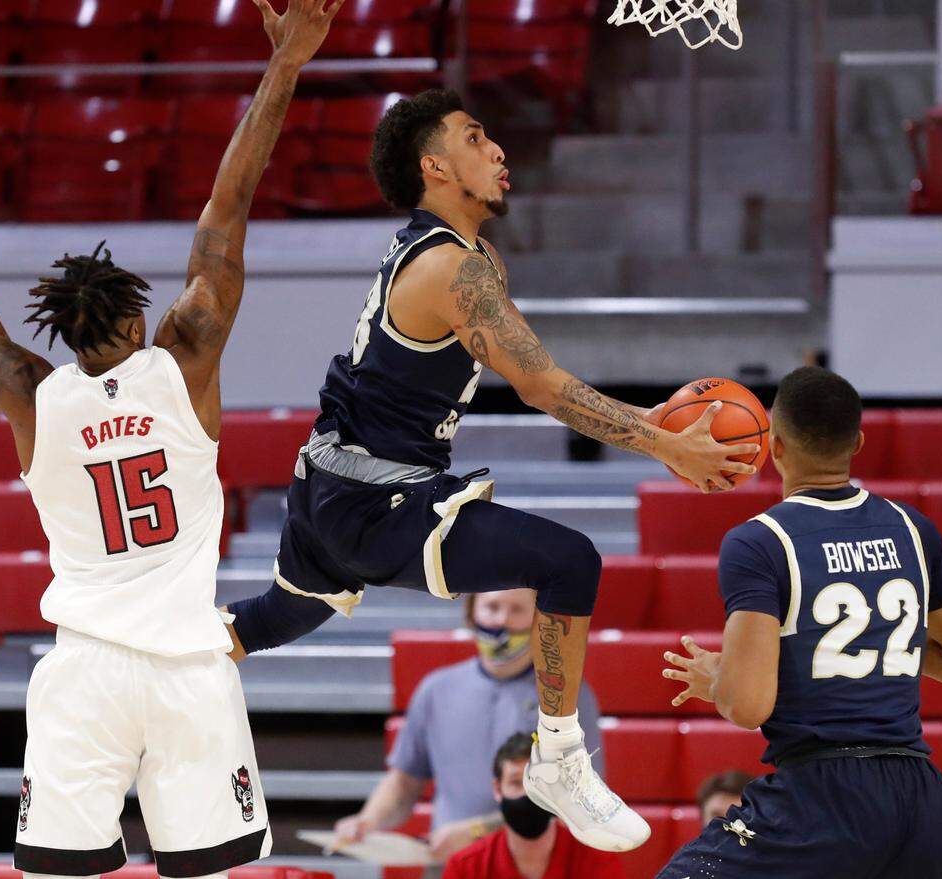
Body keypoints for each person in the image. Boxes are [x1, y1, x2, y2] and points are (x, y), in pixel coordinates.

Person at [0, 3, 343, 876]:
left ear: (64, 338)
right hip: (189, 667)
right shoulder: (184, 359)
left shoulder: (28, 391)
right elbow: (228, 211)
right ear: (144, 316)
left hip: (86, 674)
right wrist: (286, 64)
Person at [224, 89, 758, 853]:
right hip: (374, 492)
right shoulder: (451, 266)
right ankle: (559, 758)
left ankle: (159, 659)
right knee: (568, 560)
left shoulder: (455, 255)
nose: (499, 149)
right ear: (436, 166)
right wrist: (663, 442)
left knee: (276, 617)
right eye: (477, 137)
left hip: (330, 478)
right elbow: (542, 385)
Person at [658, 366, 942, 879]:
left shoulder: (760, 541)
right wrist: (869, 657)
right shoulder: (911, 529)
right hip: (917, 795)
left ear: (776, 445)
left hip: (824, 797)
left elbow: (747, 706)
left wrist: (720, 678)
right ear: (857, 442)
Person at [334, 589, 604, 862]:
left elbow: (577, 801)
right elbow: (404, 783)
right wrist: (366, 822)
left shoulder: (568, 699)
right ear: (472, 612)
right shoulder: (436, 690)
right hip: (450, 866)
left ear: (539, 619)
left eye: (517, 609)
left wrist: (477, 832)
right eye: (493, 606)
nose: (502, 620)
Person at [442, 733, 626, 879]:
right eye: (515, 782)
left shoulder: (597, 861)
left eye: (538, 781)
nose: (528, 793)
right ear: (498, 789)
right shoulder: (465, 868)